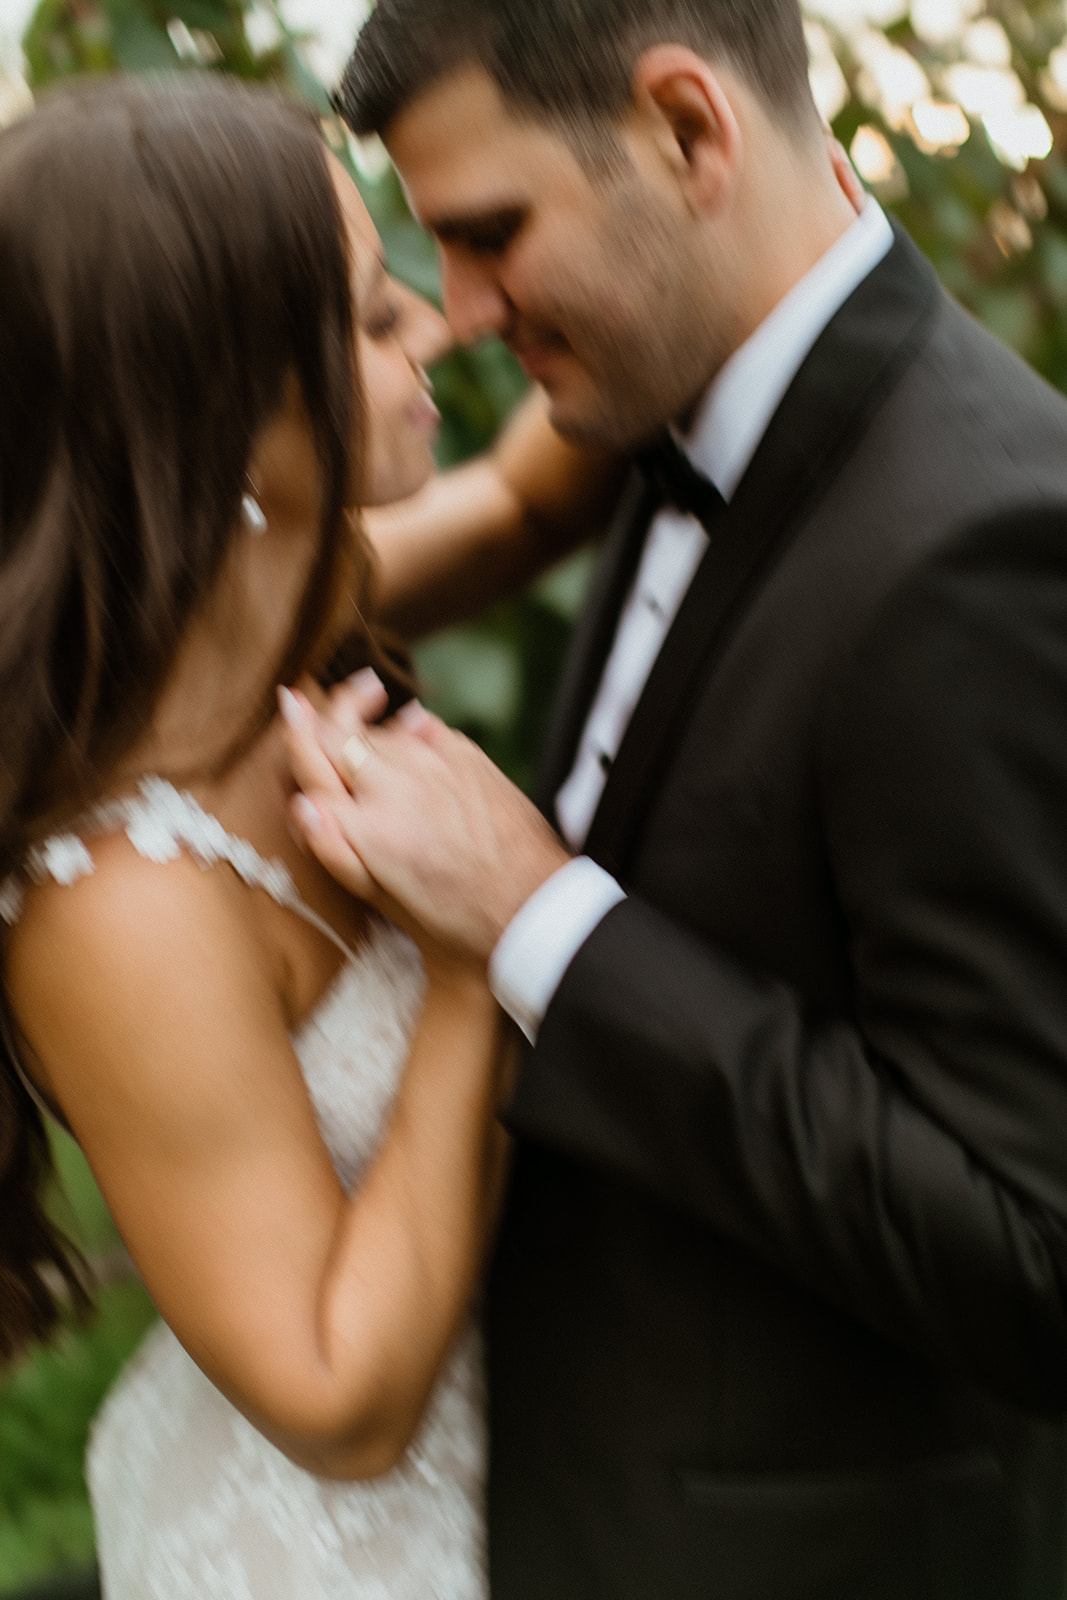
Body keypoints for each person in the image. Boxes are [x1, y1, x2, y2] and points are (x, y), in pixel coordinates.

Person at [282, 2, 1067, 1597]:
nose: (465, 310)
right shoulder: (678, 382)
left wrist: (536, 917)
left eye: (492, 236)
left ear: (690, 130)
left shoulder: (984, 543)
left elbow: (1031, 1250)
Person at [0, 73, 508, 1599]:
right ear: (223, 414)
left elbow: (540, 499)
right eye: (367, 319)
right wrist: (484, 959)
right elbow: (338, 1397)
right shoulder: (119, 905)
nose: (434, 325)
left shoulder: (304, 618)